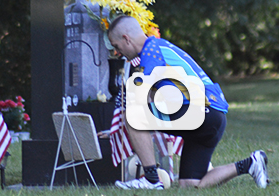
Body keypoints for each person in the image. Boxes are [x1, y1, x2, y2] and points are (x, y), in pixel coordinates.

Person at [107, 15, 269, 190]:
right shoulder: (160, 47)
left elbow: (141, 99)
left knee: (132, 114)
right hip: (214, 117)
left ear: (126, 38)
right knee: (190, 185)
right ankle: (251, 163)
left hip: (202, 112)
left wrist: (119, 124)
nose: (118, 52)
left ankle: (152, 180)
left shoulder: (151, 52)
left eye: (117, 47)